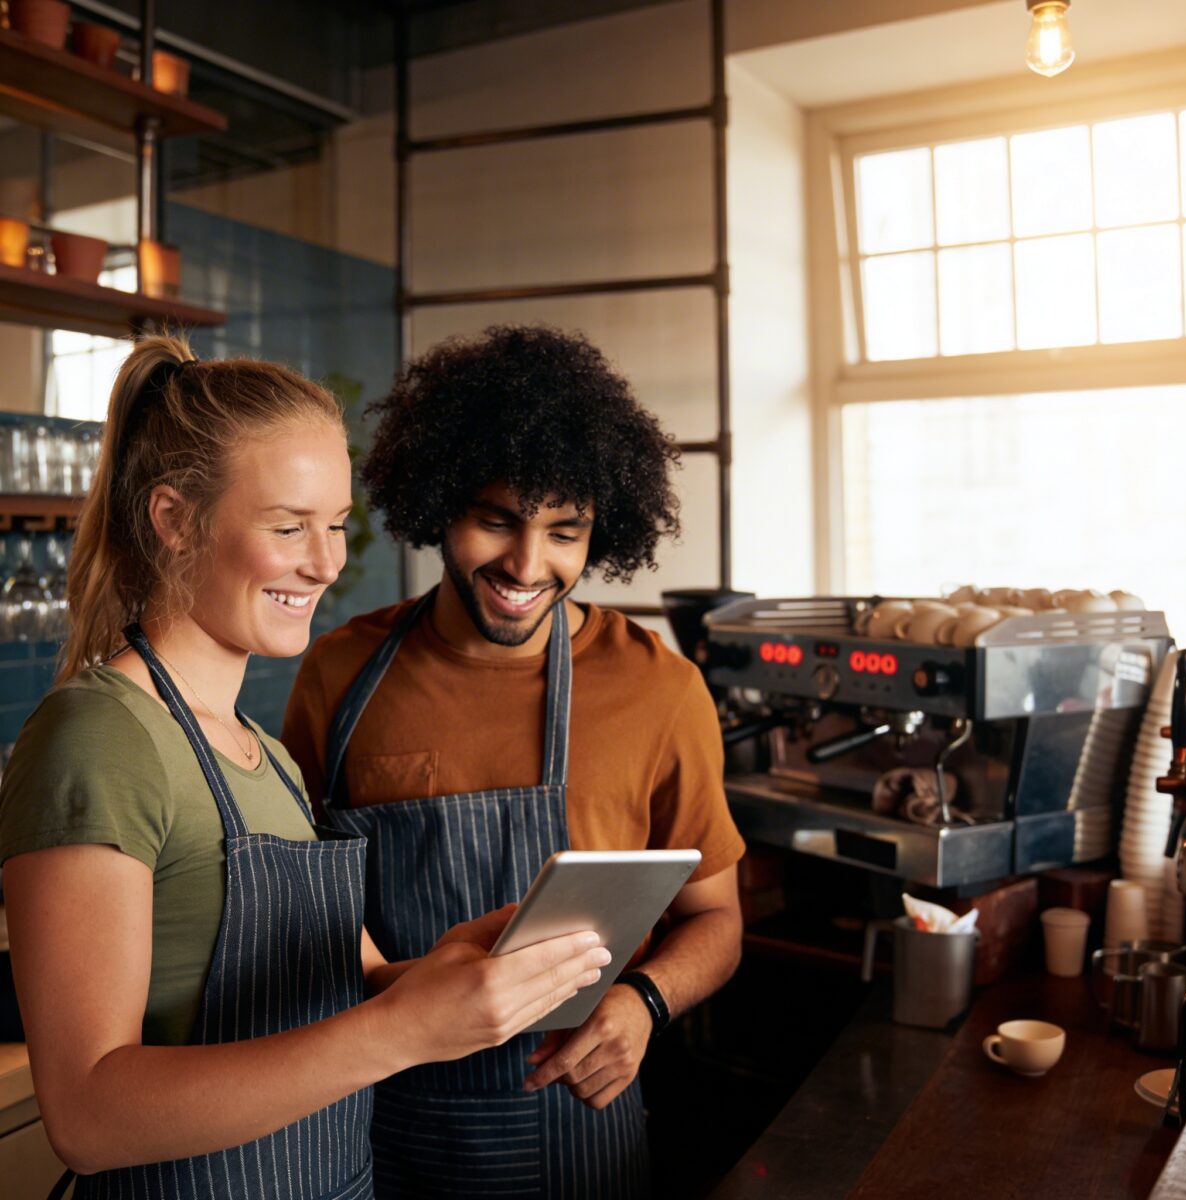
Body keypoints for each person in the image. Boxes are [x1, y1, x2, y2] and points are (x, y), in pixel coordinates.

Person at [0, 335, 610, 1200]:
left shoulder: (267, 755)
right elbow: (88, 1115)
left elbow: (349, 987)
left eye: (335, 526)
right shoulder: (99, 737)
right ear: (175, 519)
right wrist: (400, 1031)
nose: (325, 564)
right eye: (288, 527)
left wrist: (456, 970)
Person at [282, 324, 746, 1199]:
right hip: (375, 1127)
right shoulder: (338, 673)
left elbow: (717, 920)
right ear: (439, 503)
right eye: (496, 519)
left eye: (564, 531)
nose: (528, 565)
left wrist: (643, 1003)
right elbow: (301, 901)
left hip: (579, 1128)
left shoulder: (662, 689)